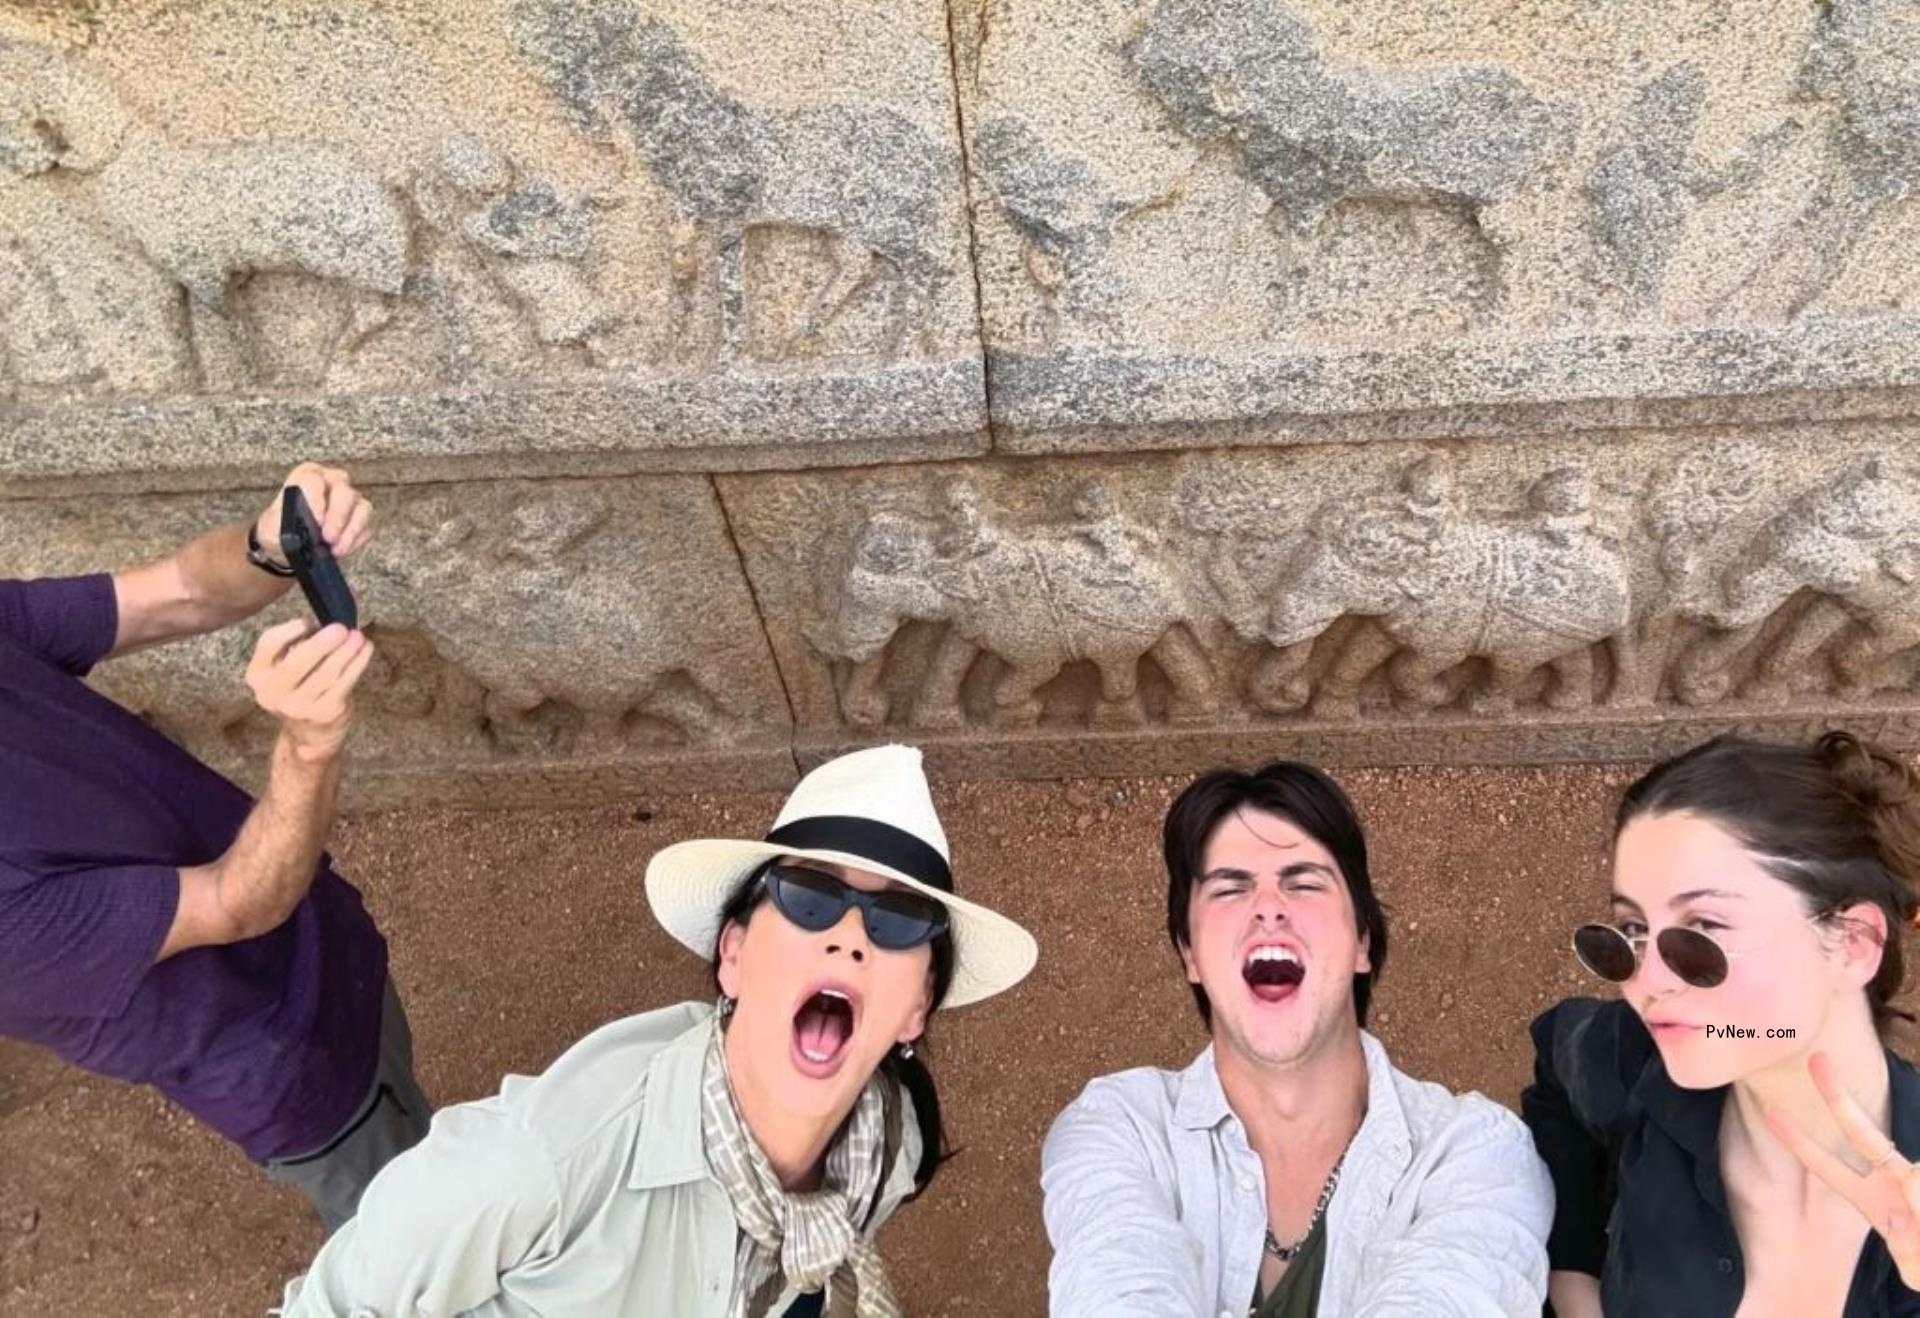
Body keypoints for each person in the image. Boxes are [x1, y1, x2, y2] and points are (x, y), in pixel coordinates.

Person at [278, 743, 1039, 1316]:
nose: (848, 938)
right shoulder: (538, 1163)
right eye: (808, 896)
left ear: (917, 1008)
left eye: (899, 919)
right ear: (734, 955)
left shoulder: (890, 1147)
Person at [0, 462, 426, 1231]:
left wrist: (268, 545)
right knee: (413, 1234)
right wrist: (309, 745)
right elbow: (238, 903)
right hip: (284, 1056)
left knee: (422, 1146)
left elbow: (175, 593)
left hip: (324, 937)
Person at [1042, 759, 1552, 1316]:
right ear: (1189, 954)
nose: (1268, 908)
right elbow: (1116, 1281)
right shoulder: (1119, 1130)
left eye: (1304, 883)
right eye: (1229, 889)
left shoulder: (1475, 1155)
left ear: (1362, 941)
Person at [1524, 729, 1920, 1316]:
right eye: (1632, 931)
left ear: (1853, 943)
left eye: (1704, 928)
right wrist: (1572, 1277)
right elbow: (1558, 1082)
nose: (1647, 981)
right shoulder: (1633, 1058)